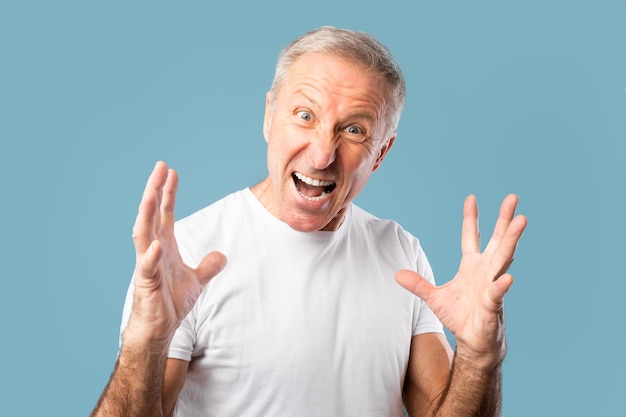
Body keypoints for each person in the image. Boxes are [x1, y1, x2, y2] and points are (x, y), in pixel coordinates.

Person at [91, 26, 526, 417]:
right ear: (268, 116)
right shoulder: (187, 255)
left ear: (382, 152)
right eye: (305, 116)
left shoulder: (401, 254)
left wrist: (477, 358)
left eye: (353, 130)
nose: (322, 155)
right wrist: (144, 342)